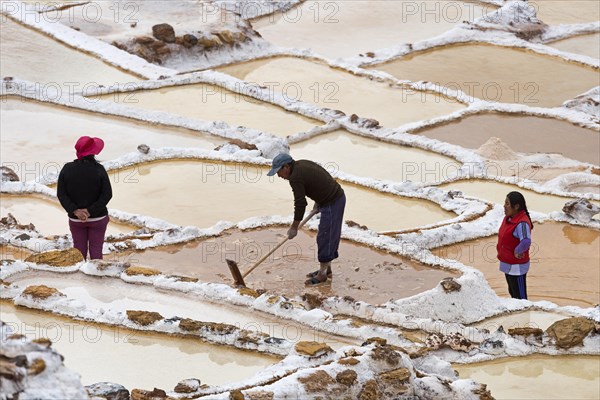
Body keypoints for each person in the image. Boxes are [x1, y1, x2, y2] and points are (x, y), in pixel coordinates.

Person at [267, 153, 346, 286]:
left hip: (333, 202)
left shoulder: (295, 177)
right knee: (327, 236)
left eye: (279, 172)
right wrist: (319, 200)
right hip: (330, 199)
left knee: (325, 237)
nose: (279, 176)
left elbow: (300, 203)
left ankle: (322, 275)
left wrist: (294, 227)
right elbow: (318, 180)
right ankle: (327, 269)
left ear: (286, 167)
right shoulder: (301, 164)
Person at [57, 136, 112, 260]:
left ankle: (79, 277)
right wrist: (90, 211)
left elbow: (61, 194)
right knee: (96, 249)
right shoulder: (99, 169)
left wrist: (76, 211)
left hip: (76, 220)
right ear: (94, 152)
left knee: (79, 250)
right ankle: (96, 276)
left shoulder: (67, 169)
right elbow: (107, 194)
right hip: (98, 218)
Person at [497, 191, 533, 300]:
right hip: (507, 263)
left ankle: (525, 316)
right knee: (512, 292)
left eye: (507, 203)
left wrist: (518, 251)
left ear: (516, 206)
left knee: (521, 298)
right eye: (505, 203)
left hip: (517, 267)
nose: (504, 206)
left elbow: (526, 241)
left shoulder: (521, 223)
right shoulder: (508, 219)